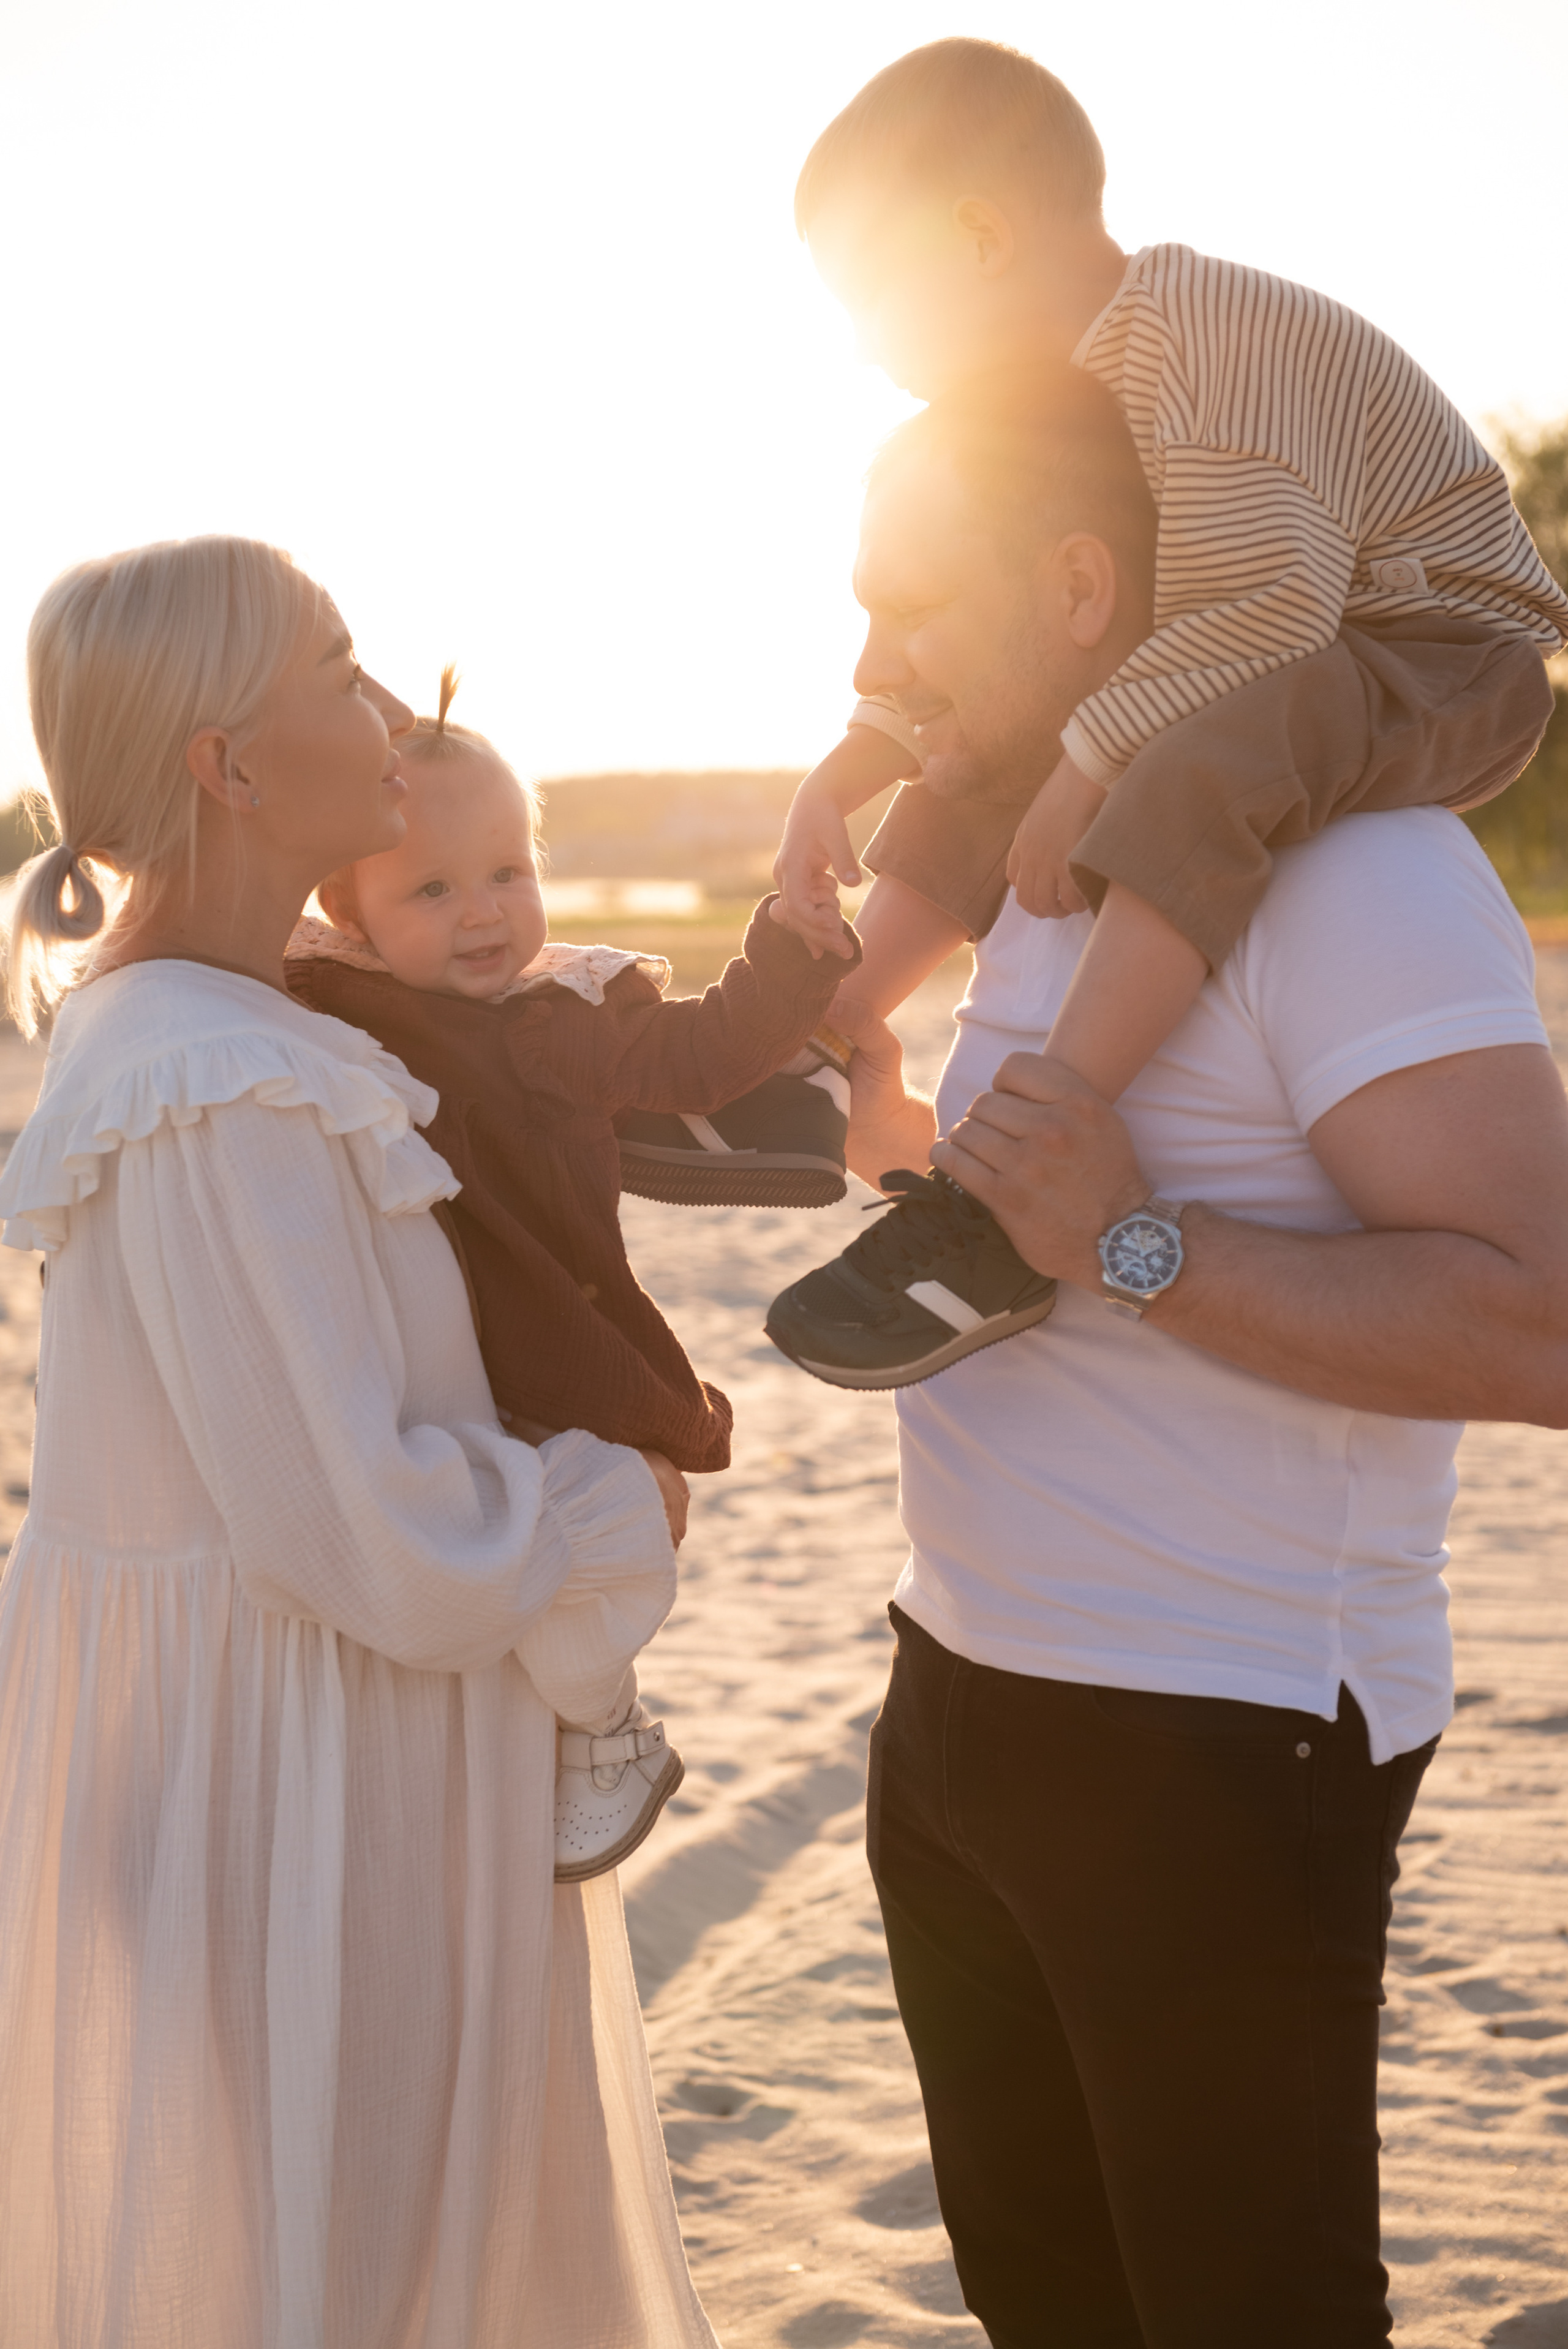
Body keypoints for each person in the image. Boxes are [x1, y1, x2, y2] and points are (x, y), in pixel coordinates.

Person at [775, 383, 1568, 2347]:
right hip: (953, 1703)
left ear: (1076, 583)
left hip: (1219, 1736)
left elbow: (1544, 1316)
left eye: (913, 601)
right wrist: (881, 1128)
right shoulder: (1061, 873)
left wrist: (1134, 1246)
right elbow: (1039, 1202)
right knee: (1052, 2312)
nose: (875, 665)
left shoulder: (1353, 873)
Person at [0, 535, 720, 2347]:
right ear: (226, 766)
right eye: (336, 667)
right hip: (290, 1795)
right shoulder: (209, 1079)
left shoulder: (253, 1028)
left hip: (323, 1759)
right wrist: (606, 1499)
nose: (386, 707)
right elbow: (379, 1538)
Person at [766, 37, 1568, 1384]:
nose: (866, 352)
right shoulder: (1066, 403)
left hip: (1428, 641)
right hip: (1282, 637)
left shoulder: (1208, 347)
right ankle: (822, 1025)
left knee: (1200, 750)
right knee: (1039, 728)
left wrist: (1089, 758)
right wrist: (856, 765)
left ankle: (1034, 1158)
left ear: (978, 238)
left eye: (871, 302)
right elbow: (1015, 632)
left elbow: (1272, 611)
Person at [285, 668, 859, 1877]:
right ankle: (590, 1732)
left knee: (589, 1540)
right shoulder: (341, 1008)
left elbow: (703, 1057)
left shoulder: (571, 1013)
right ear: (349, 911)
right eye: (431, 888)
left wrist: (789, 950)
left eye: (508, 873)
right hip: (440, 1363)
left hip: (556, 1338)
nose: (484, 911)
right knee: (506, 1556)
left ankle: (605, 1728)